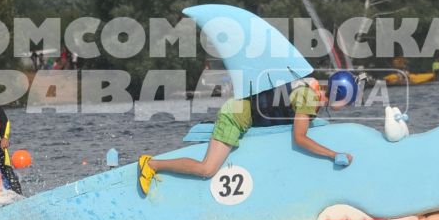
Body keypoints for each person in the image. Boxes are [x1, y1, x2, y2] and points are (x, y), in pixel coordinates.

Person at [138, 75, 347, 195]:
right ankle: (152, 165)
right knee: (207, 169)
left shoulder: (310, 91)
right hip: (235, 117)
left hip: (243, 114)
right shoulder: (309, 97)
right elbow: (300, 138)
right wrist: (332, 154)